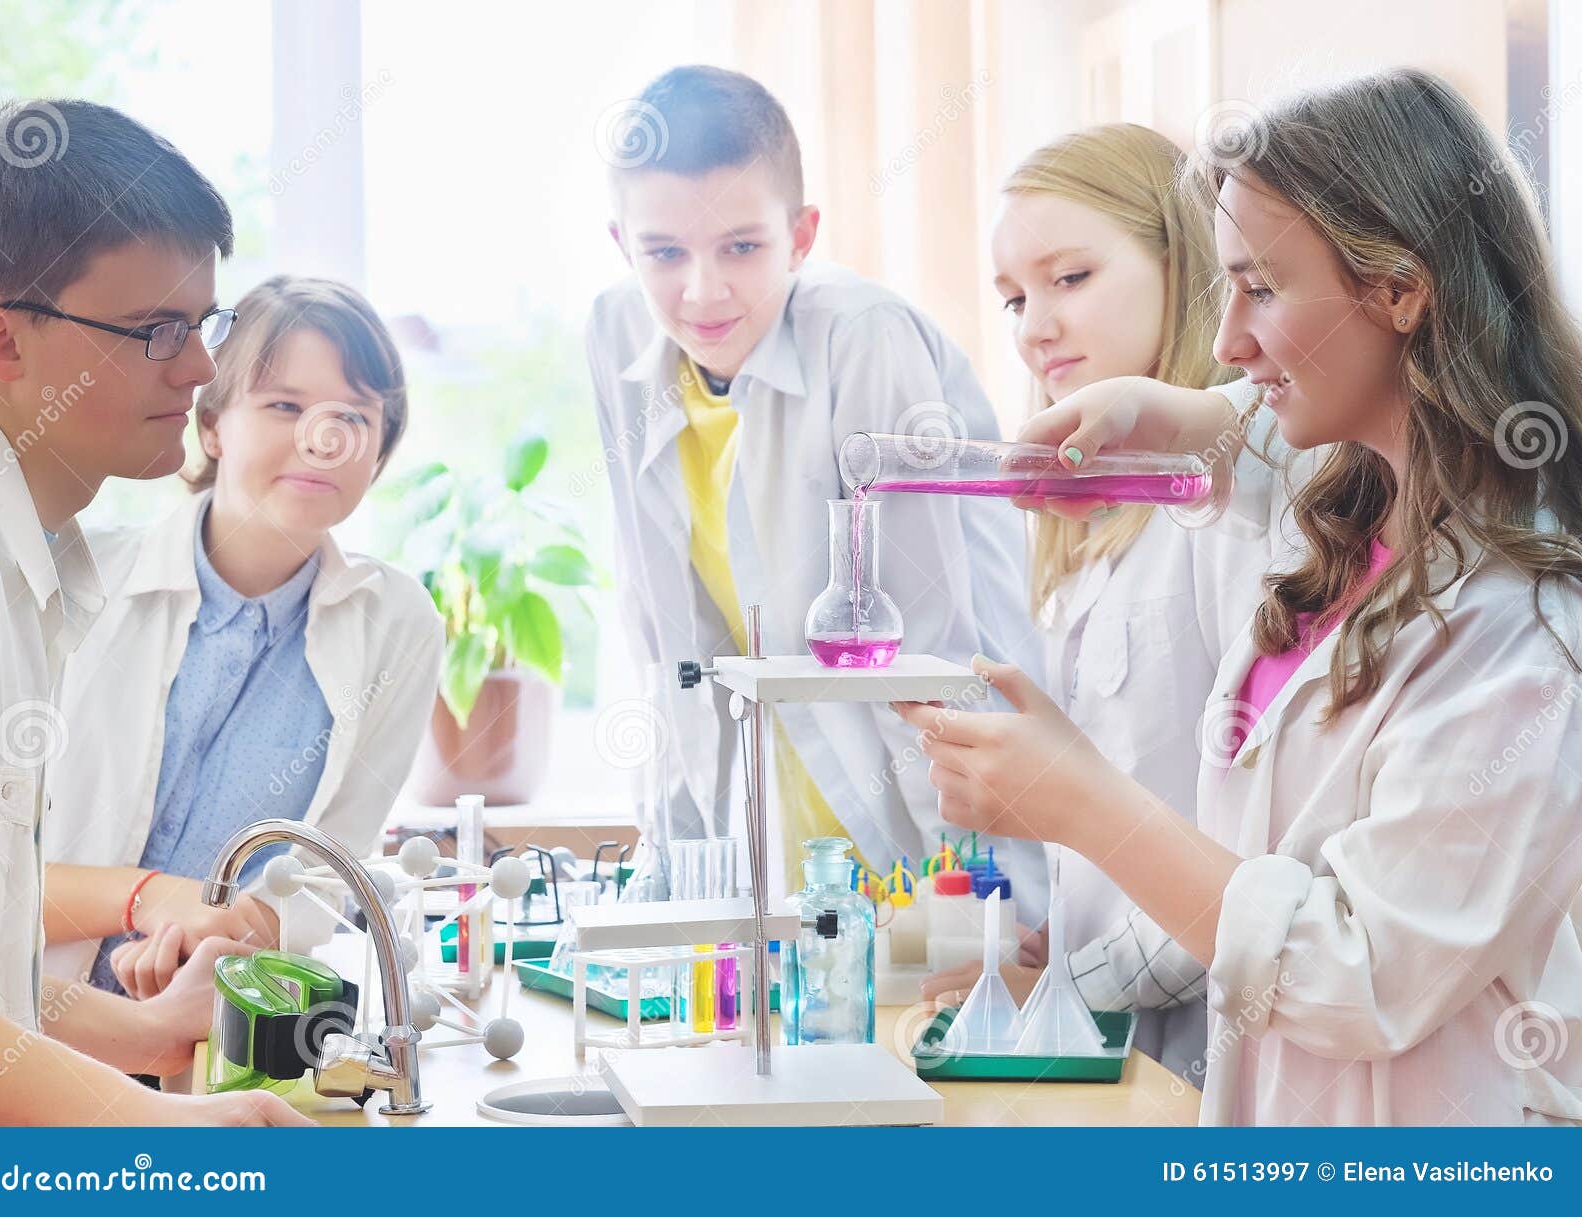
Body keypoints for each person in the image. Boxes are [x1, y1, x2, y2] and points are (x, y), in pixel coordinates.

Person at [897, 69, 1582, 1124]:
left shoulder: (1521, 625)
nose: (1224, 339)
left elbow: (1353, 969)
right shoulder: (1350, 502)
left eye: (1260, 288)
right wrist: (1157, 412)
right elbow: (1249, 433)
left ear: (1400, 288)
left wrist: (1082, 803)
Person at [586, 65, 1045, 918]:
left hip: (923, 818)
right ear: (623, 245)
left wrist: (972, 903)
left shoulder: (863, 339)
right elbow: (668, 641)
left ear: (801, 236)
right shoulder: (617, 334)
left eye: (741, 247)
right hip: (770, 837)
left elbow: (929, 650)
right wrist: (670, 863)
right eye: (664, 254)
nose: (702, 291)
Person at [0, 97, 308, 1124]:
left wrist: (144, 1034)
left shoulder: (40, 552)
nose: (203, 368)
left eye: (204, 322)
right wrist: (180, 1129)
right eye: (157, 329)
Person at [920, 125, 1268, 1088]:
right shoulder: (1089, 527)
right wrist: (1047, 947)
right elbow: (1126, 799)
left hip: (1206, 1063)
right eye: (1015, 298)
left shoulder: (1229, 516)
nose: (1034, 325)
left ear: (1185, 265)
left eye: (1070, 277)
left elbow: (1256, 863)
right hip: (1117, 1049)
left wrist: (1073, 984)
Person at [44, 276, 444, 1003]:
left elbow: (326, 872)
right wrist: (151, 898)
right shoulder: (72, 578)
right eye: (284, 405)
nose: (320, 441)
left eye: (353, 415)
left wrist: (211, 935)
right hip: (28, 1035)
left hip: (221, 1028)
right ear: (212, 425)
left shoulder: (398, 621)